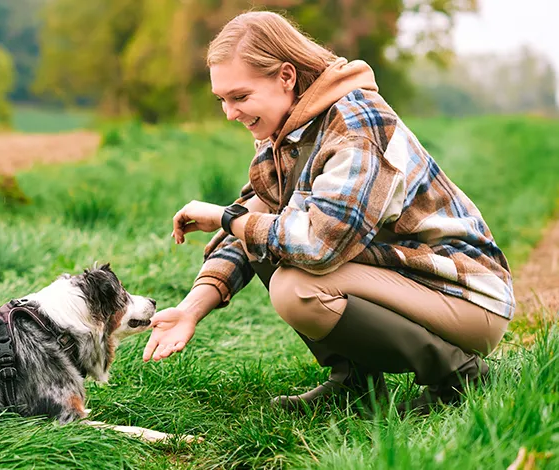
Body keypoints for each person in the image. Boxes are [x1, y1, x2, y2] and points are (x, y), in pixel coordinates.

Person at [142, 10, 514, 414]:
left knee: (297, 287)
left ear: (286, 76)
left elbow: (319, 246)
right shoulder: (287, 129)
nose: (230, 113)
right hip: (406, 279)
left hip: (465, 295)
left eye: (240, 97)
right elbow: (251, 223)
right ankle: (358, 386)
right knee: (265, 236)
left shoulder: (356, 122)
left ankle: (460, 378)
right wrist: (192, 309)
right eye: (222, 100)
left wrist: (229, 218)